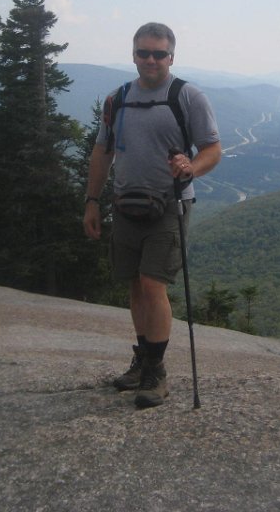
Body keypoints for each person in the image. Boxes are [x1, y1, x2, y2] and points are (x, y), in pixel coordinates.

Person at [83, 22, 221, 408]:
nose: (151, 59)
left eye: (159, 53)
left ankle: (155, 371)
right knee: (133, 285)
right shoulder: (117, 99)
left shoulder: (187, 96)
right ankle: (143, 358)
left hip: (170, 204)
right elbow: (102, 152)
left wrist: (191, 167)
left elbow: (212, 149)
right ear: (133, 55)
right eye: (144, 52)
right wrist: (92, 201)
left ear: (171, 57)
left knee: (152, 283)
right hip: (126, 203)